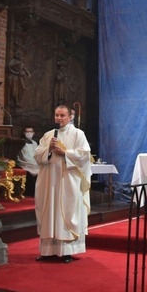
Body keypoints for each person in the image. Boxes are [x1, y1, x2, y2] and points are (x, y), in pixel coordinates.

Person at [34, 105, 92, 263]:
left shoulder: (78, 134)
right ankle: (47, 250)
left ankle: (66, 251)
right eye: (56, 115)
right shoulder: (48, 135)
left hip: (68, 181)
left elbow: (84, 155)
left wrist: (65, 153)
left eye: (62, 115)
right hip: (49, 181)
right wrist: (49, 150)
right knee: (49, 212)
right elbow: (38, 154)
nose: (59, 118)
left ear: (69, 117)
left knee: (66, 212)